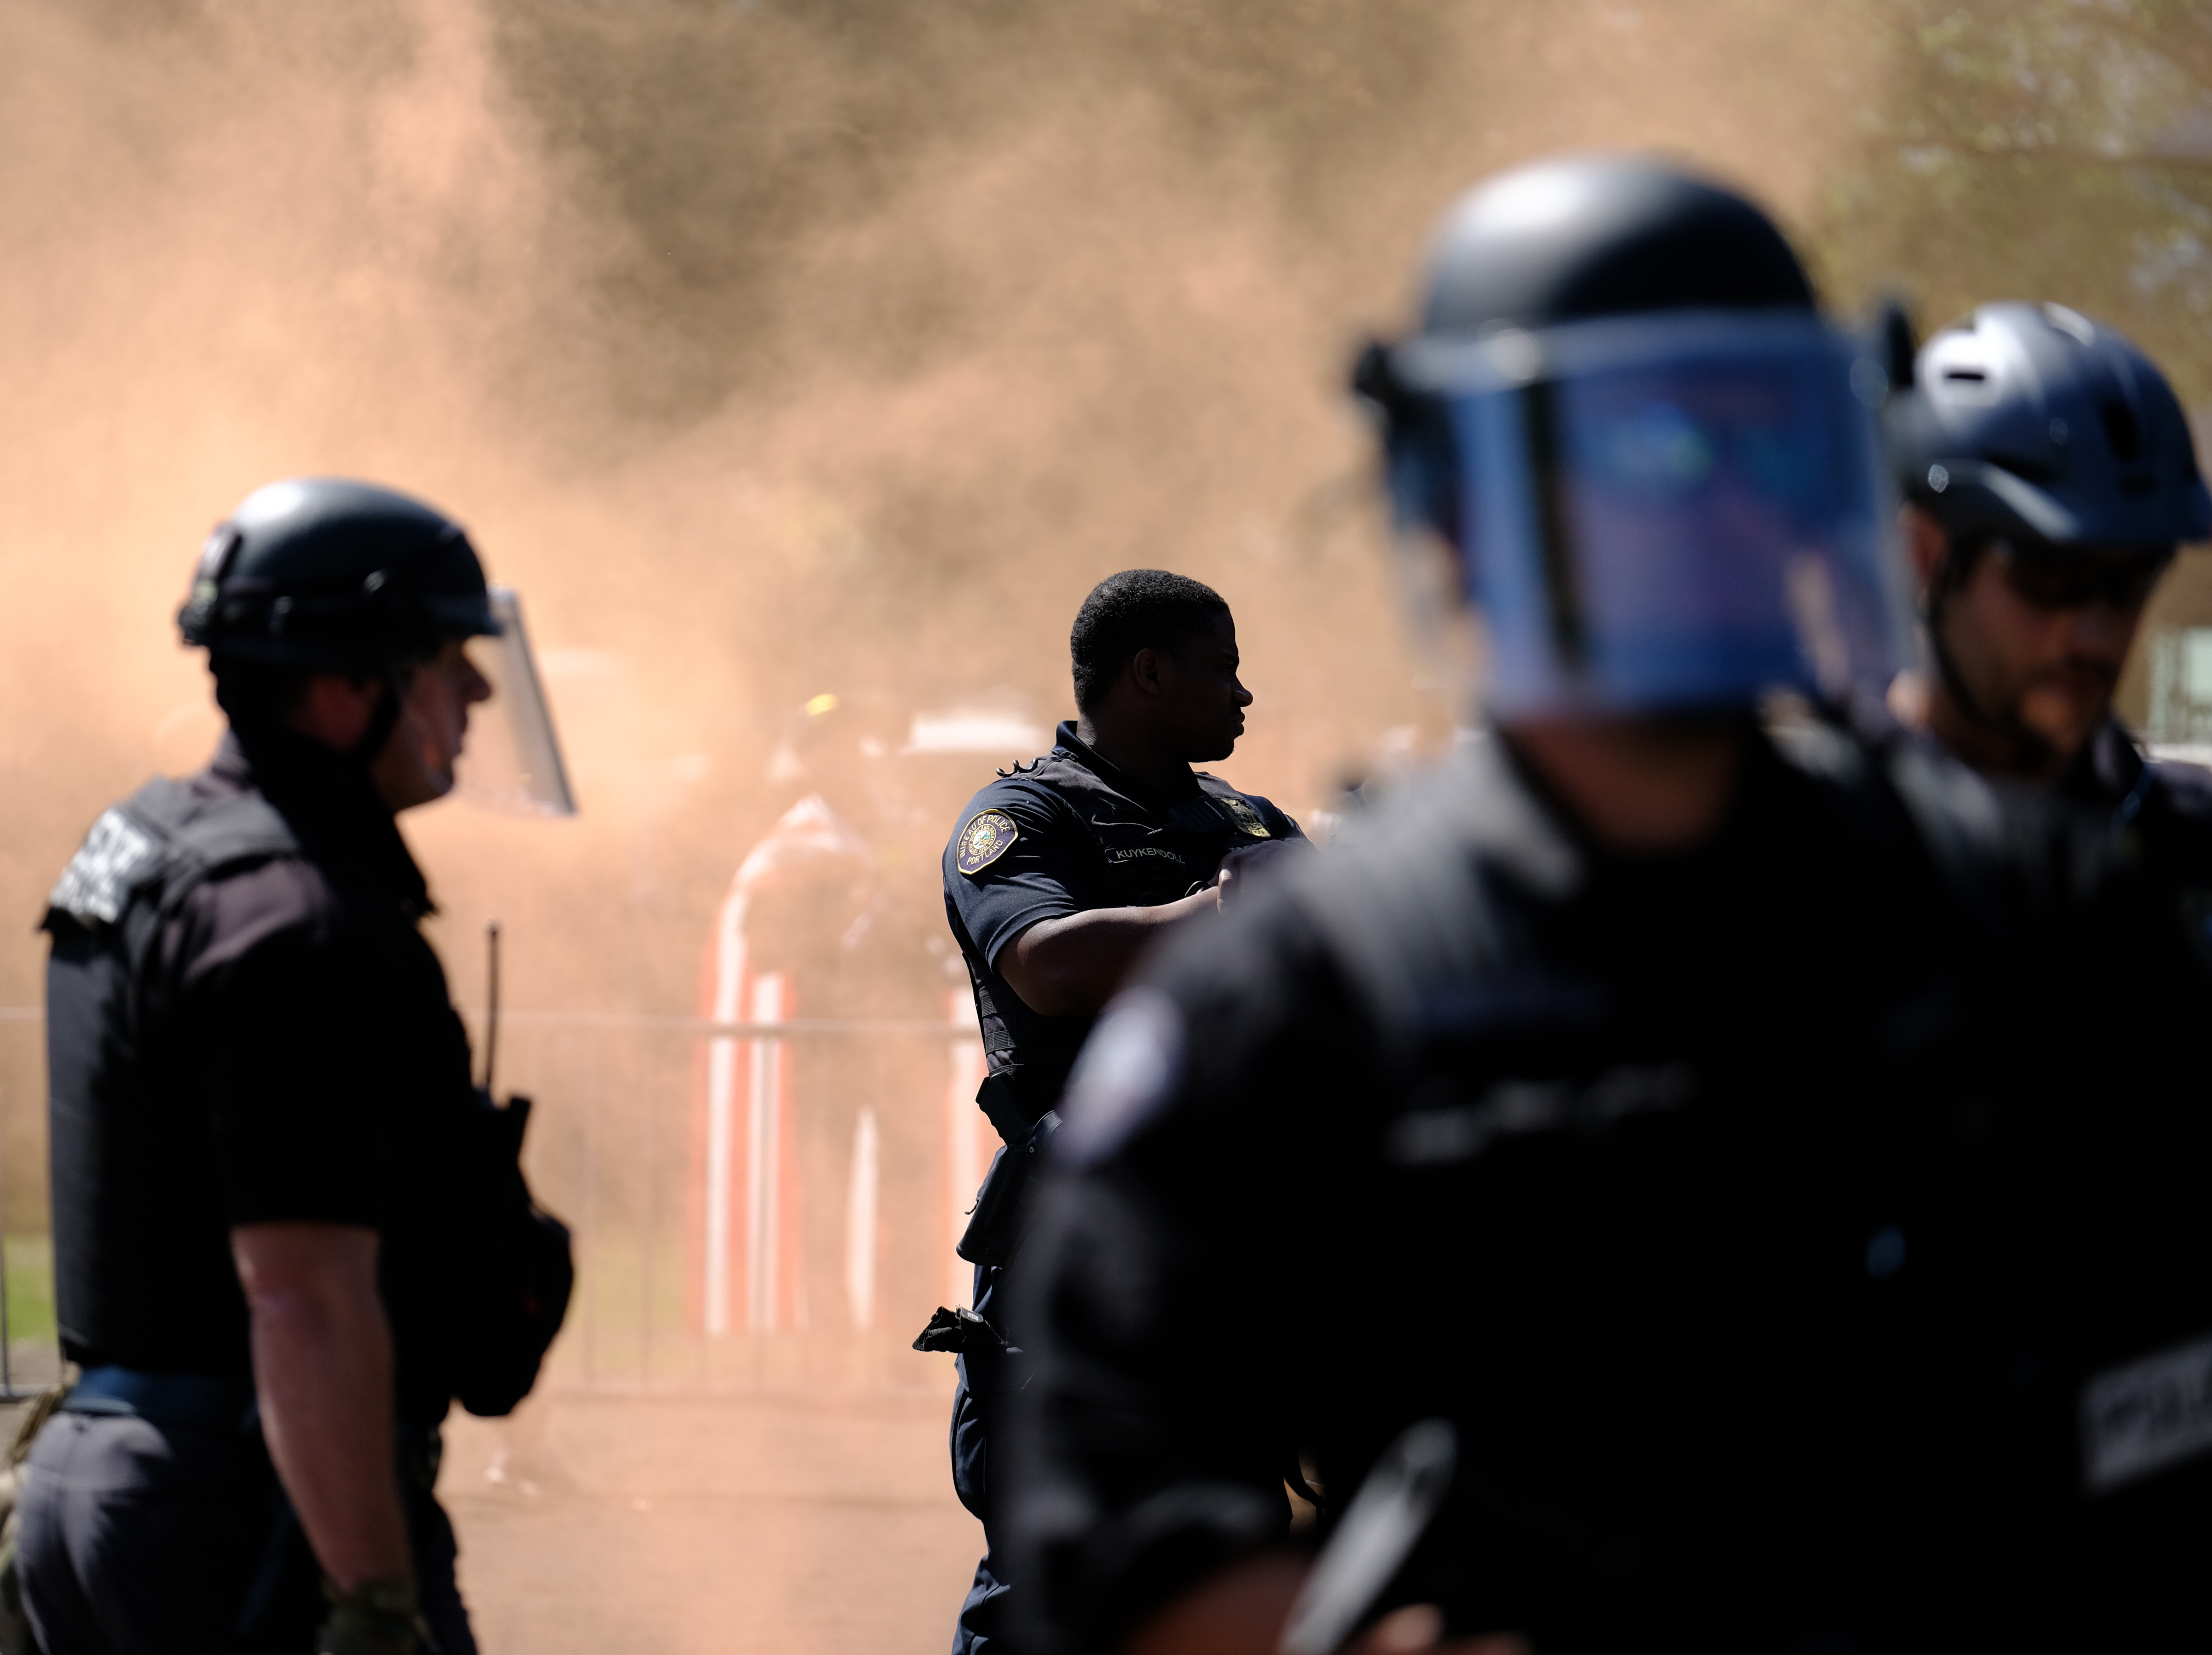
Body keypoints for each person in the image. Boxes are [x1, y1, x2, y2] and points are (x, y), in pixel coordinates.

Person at [1000, 156, 2212, 1654]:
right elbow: (1113, 1534)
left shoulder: (2040, 913)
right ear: (1466, 504)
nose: (1701, 512)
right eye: (1633, 455)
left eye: (1749, 443)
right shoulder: (1304, 990)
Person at [21, 478, 573, 1655]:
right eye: (441, 655)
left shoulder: (155, 847)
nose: (476, 688)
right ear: (342, 685)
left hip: (115, 1472)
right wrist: (374, 1597)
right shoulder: (304, 924)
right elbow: (303, 1294)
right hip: (249, 1506)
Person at [921, 569, 1304, 1655]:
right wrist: (1223, 911)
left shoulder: (1251, 822)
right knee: (1052, 1560)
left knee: (1233, 1541)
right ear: (1148, 673)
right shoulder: (1024, 817)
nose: (1244, 696)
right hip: (1075, 1236)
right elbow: (1045, 965)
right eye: (1221, 669)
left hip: (1239, 1239)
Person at [1886, 299, 2212, 897]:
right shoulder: (1805, 858)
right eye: (2048, 578)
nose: (2096, 632)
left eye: (2131, 583)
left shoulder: (2192, 853)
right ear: (1925, 557)